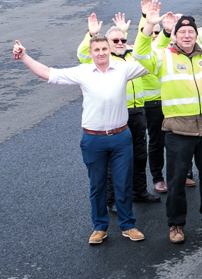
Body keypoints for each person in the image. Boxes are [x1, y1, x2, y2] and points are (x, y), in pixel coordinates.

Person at [13, 37, 148, 244]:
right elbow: (48, 74)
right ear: (91, 52)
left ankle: (128, 225)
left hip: (121, 137)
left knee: (123, 184)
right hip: (93, 139)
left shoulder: (123, 68)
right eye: (97, 50)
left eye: (104, 48)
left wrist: (156, 30)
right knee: (97, 186)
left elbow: (151, 60)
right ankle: (99, 227)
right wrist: (23, 56)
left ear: (110, 50)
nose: (101, 53)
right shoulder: (83, 71)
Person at [133, 0, 202, 244]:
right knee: (176, 179)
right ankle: (176, 225)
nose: (187, 36)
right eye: (182, 32)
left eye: (191, 32)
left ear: (196, 35)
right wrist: (149, 26)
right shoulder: (163, 58)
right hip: (178, 128)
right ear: (174, 36)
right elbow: (140, 53)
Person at [77, 13, 161, 209]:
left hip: (137, 113)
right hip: (115, 117)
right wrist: (91, 35)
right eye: (115, 40)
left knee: (139, 156)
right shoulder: (101, 60)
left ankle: (139, 191)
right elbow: (82, 54)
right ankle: (111, 199)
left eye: (123, 39)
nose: (120, 42)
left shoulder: (133, 56)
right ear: (107, 43)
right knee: (113, 162)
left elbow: (152, 49)